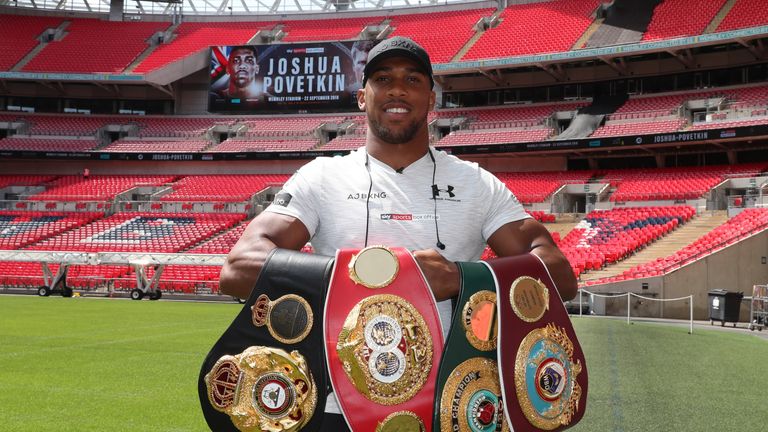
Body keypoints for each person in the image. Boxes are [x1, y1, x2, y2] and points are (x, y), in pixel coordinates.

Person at [219, 35, 577, 429]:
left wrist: (459, 278)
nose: (397, 89)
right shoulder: (322, 178)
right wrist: (371, 277)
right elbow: (238, 269)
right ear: (362, 97)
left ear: (431, 100)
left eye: (412, 79)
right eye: (383, 78)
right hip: (338, 408)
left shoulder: (477, 184)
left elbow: (559, 275)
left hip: (455, 405)